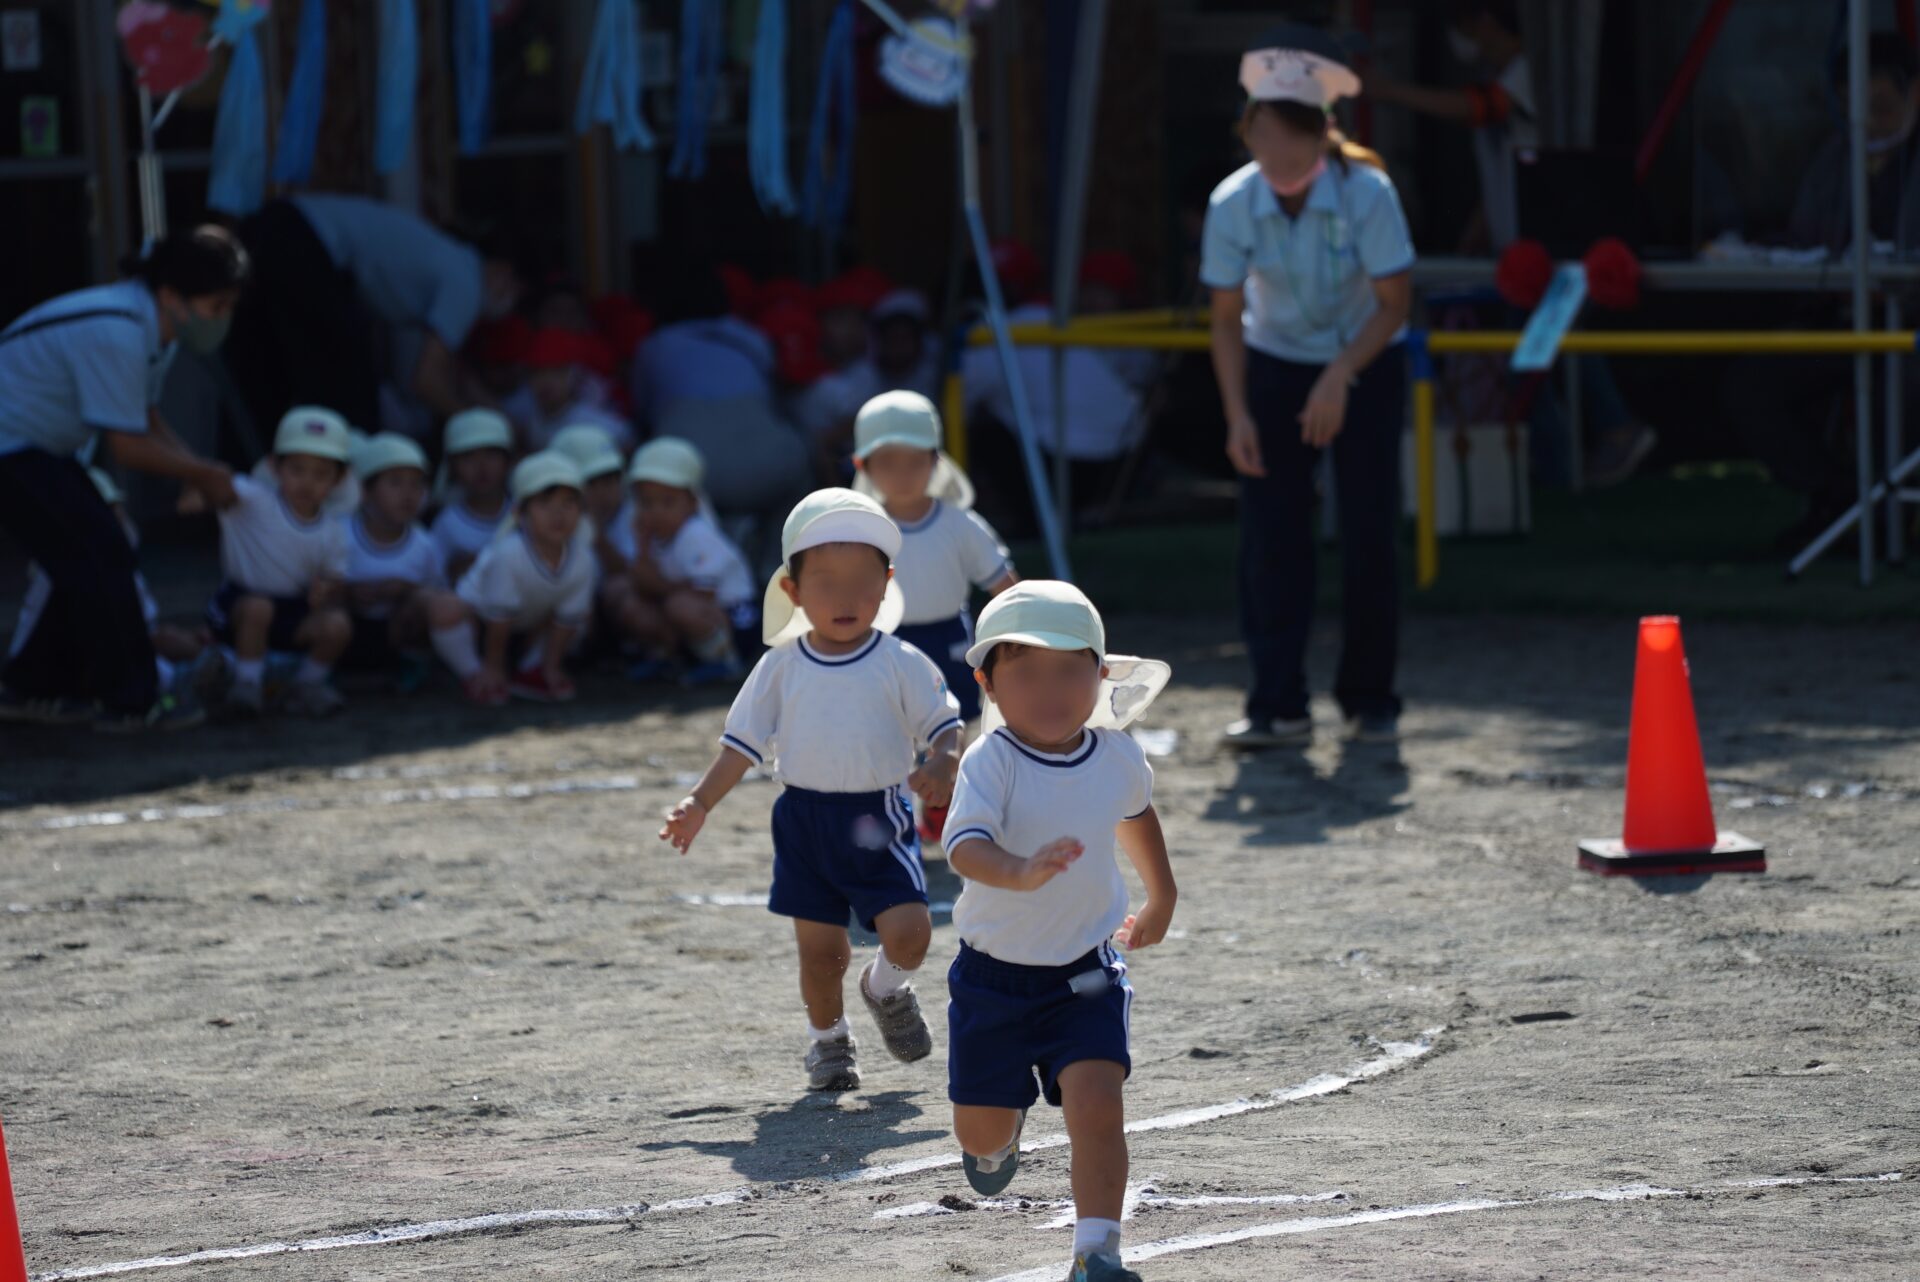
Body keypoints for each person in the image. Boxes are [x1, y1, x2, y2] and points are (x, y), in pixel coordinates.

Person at [658, 489, 964, 1092]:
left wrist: (944, 760)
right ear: (792, 592)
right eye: (824, 582)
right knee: (822, 954)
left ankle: (885, 989)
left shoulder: (901, 660)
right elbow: (740, 746)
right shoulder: (780, 666)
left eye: (862, 581)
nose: (845, 598)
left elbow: (944, 724)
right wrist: (698, 803)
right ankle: (828, 1042)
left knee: (913, 932)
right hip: (803, 823)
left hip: (879, 816)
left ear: (887, 584)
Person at [942, 581, 1174, 1282]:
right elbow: (962, 848)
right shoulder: (991, 760)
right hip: (993, 980)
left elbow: (1135, 814)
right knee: (979, 1131)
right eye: (1027, 672)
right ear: (988, 682)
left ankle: (1097, 1252)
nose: (1051, 690)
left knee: (1098, 1103)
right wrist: (1018, 869)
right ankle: (997, 1137)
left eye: (1070, 669)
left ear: (1100, 676)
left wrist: (1162, 892)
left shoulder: (1116, 753)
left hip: (1085, 973)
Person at [1202, 31, 1414, 748]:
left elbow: (1395, 304)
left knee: (1367, 531)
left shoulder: (1368, 192)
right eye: (1264, 135)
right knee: (1269, 535)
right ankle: (1276, 702)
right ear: (1249, 131)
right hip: (1272, 364)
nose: (1279, 155)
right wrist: (1237, 414)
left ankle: (1370, 697)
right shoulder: (1231, 203)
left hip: (1364, 360)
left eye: (1295, 138)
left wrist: (1340, 373)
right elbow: (1227, 320)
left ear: (1325, 133)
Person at [1366, 1, 1655, 487]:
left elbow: (1482, 110)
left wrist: (1388, 91)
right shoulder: (1503, 76)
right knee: (1539, 352)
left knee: (1542, 350)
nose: (1462, 39)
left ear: (1486, 22)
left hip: (1547, 247)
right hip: (1517, 251)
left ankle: (1601, 437)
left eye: (1465, 24)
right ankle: (1570, 454)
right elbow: (1504, 161)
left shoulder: (1532, 74)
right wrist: (1479, 228)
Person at [0, 224, 246, 731]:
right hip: (12, 443)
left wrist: (200, 473)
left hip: (32, 444)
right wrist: (204, 473)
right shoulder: (120, 331)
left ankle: (32, 687)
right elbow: (127, 445)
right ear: (173, 296)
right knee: (99, 549)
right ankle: (132, 700)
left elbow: (146, 417)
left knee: (86, 551)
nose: (222, 318)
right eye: (215, 305)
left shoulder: (152, 326)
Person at [1724, 32, 1920, 549]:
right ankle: (1839, 499)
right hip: (1839, 322)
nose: (1870, 124)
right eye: (1856, 110)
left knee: (1895, 388)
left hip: (1908, 333)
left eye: (1880, 107)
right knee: (1753, 384)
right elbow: (1802, 242)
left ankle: (1882, 517)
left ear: (1914, 95)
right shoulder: (1834, 159)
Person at [226, 194, 521, 434]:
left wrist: (497, 414)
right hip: (301, 242)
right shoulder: (467, 284)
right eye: (515, 292)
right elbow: (427, 381)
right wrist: (485, 430)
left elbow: (456, 376)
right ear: (504, 273)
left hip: (271, 229)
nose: (508, 303)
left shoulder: (451, 260)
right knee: (349, 390)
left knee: (264, 378)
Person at [852, 391, 1017, 722]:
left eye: (914, 461)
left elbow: (1004, 584)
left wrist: (1019, 635)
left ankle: (956, 774)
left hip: (951, 637)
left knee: (957, 719)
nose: (902, 474)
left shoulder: (960, 523)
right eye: (887, 462)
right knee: (892, 723)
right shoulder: (861, 530)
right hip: (885, 642)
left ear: (935, 461)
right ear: (863, 465)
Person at [629, 263, 811, 530]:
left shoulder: (654, 346)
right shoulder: (752, 338)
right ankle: (780, 556)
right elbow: (776, 403)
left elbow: (642, 414)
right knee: (801, 465)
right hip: (767, 468)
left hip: (692, 475)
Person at [206, 407, 356, 720]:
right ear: (275, 466)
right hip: (238, 607)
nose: (307, 483)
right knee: (259, 607)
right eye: (297, 469)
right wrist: (199, 490)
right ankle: (246, 686)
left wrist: (326, 593)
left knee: (338, 625)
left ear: (338, 478)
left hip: (293, 612)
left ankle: (306, 687)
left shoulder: (333, 531)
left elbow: (335, 582)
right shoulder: (253, 498)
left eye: (321, 474)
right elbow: (216, 485)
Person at [603, 438, 759, 686]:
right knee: (630, 602)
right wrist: (642, 550)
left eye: (667, 502)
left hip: (737, 622)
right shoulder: (648, 534)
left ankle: (725, 662)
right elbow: (641, 585)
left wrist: (656, 586)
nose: (656, 511)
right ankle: (669, 659)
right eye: (646, 502)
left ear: (692, 502)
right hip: (686, 611)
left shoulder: (696, 533)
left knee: (678, 605)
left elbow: (702, 594)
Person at [444, 451, 595, 705]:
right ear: (519, 513)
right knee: (444, 608)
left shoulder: (584, 558)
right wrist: (494, 667)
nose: (558, 515)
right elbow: (498, 618)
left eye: (568, 504)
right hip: (481, 627)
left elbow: (567, 620)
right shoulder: (508, 553)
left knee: (582, 619)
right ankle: (476, 674)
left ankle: (534, 671)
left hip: (527, 628)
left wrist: (551, 667)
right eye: (545, 504)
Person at [339, 433, 452, 692]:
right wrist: (348, 592)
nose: (408, 494)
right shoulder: (339, 533)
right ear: (365, 490)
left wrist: (406, 590)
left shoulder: (426, 544)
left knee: (426, 602)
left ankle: (412, 666)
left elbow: (440, 595)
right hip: (348, 631)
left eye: (417, 485)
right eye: (395, 483)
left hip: (396, 632)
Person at [506, 328, 633, 453]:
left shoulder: (600, 425)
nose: (546, 381)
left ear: (573, 374)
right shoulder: (522, 419)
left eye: (556, 371)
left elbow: (625, 441)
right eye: (537, 372)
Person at [429, 409, 516, 584]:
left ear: (508, 461)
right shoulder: (446, 524)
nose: (481, 466)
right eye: (468, 456)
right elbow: (436, 582)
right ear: (453, 466)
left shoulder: (529, 513)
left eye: (491, 454)